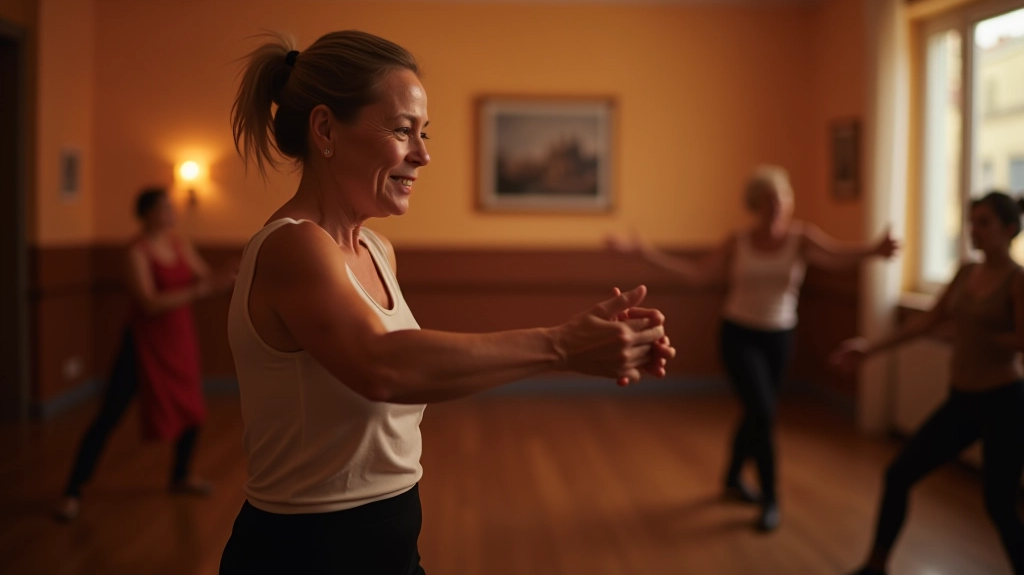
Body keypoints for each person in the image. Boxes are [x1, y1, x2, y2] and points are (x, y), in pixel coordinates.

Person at [220, 30, 676, 575]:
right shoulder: (294, 246)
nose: (423, 153)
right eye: (402, 130)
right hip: (307, 551)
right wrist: (562, 346)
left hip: (388, 537)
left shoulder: (375, 248)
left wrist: (583, 343)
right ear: (325, 129)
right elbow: (382, 368)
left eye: (424, 132)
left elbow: (417, 375)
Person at [608, 165, 898, 531]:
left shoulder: (802, 237)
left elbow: (837, 256)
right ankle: (771, 498)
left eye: (782, 198)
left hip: (779, 336)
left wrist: (875, 250)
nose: (777, 206)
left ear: (790, 202)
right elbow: (697, 274)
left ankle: (731, 477)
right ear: (756, 205)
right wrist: (644, 252)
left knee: (757, 411)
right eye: (768, 200)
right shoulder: (738, 240)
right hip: (738, 334)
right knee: (763, 412)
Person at [834, 191, 1024, 575]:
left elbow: (1023, 339)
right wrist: (869, 349)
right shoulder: (967, 271)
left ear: (1008, 229)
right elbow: (927, 321)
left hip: (1004, 402)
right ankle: (875, 566)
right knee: (899, 475)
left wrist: (986, 338)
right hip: (963, 401)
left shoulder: (1017, 280)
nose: (974, 229)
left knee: (999, 505)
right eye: (971, 221)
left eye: (983, 222)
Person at [54, 188, 237, 522]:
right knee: (109, 415)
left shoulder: (180, 244)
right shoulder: (135, 251)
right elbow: (150, 303)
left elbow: (208, 279)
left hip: (179, 339)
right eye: (165, 207)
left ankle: (181, 476)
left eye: (171, 207)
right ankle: (72, 491)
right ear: (148, 213)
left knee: (192, 408)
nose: (172, 212)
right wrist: (200, 290)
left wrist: (237, 271)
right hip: (143, 344)